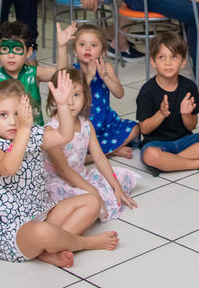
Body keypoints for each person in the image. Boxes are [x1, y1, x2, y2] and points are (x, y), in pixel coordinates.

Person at [0, 74, 120, 267]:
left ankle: (49, 249)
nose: (12, 122)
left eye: (18, 114)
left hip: (40, 211)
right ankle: (84, 243)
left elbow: (64, 135)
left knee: (92, 202)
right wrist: (24, 129)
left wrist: (62, 106)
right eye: (3, 115)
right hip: (10, 231)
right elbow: (9, 167)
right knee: (42, 232)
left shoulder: (31, 132)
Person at [44, 67, 140, 222]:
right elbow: (63, 171)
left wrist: (116, 186)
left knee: (120, 178)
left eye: (76, 95)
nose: (70, 101)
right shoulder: (51, 130)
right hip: (59, 183)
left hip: (81, 176)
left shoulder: (86, 124)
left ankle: (98, 200)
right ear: (54, 98)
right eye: (65, 95)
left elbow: (100, 158)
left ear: (85, 97)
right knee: (91, 199)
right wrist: (93, 191)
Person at [137, 30, 199, 174]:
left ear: (183, 62)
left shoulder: (189, 87)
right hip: (157, 144)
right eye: (161, 57)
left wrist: (186, 114)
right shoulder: (147, 91)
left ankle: (169, 163)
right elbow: (145, 129)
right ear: (153, 62)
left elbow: (192, 125)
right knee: (150, 155)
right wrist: (161, 114)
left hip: (185, 141)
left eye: (174, 57)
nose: (168, 62)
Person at [0, 21, 72, 126]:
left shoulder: (34, 73)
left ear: (28, 52)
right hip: (7, 138)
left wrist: (62, 46)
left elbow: (61, 76)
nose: (11, 55)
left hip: (35, 136)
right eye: (5, 49)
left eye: (17, 49)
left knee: (57, 140)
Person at [68, 23, 140, 157]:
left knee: (135, 129)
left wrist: (105, 77)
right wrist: (88, 77)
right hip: (81, 124)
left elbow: (119, 93)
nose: (87, 48)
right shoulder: (73, 70)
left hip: (105, 121)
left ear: (103, 52)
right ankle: (110, 152)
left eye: (94, 45)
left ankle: (97, 154)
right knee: (71, 146)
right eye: (82, 44)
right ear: (74, 50)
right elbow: (73, 97)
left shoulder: (106, 67)